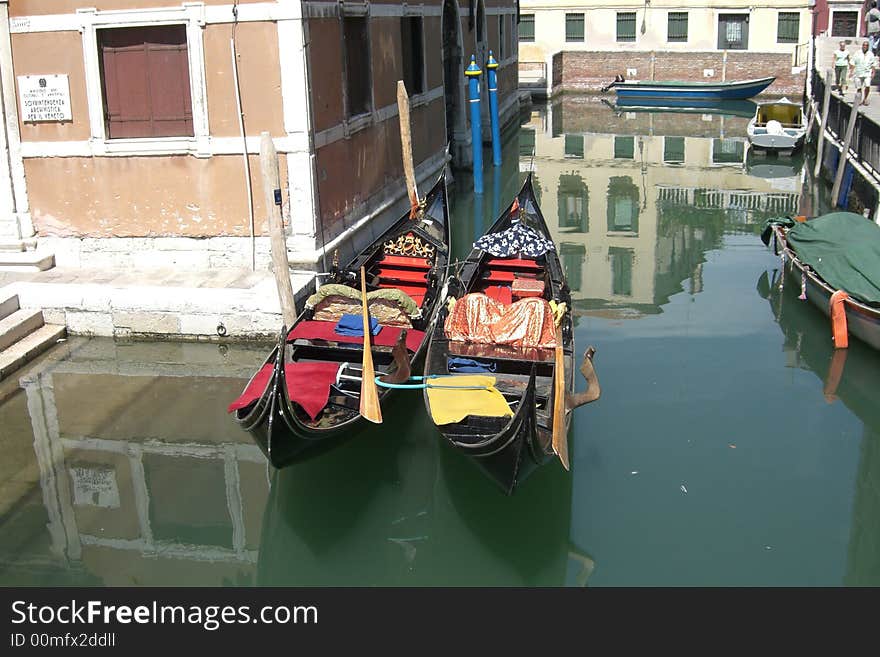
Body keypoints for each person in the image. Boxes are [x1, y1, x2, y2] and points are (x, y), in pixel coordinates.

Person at [851, 40, 877, 105]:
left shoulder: (871, 54)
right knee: (859, 87)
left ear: (868, 47)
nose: (865, 46)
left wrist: (873, 72)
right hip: (858, 72)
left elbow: (873, 64)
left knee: (867, 85)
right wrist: (851, 71)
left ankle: (865, 99)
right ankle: (859, 100)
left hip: (867, 72)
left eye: (866, 45)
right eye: (864, 45)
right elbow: (853, 62)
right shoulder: (857, 53)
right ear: (862, 46)